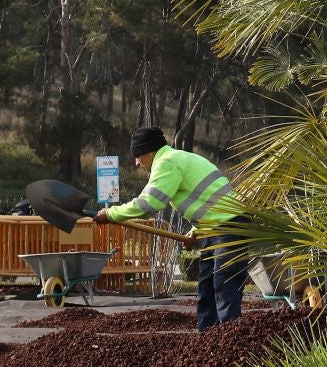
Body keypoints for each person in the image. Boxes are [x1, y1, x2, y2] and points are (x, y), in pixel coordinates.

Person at [86, 127, 247, 330]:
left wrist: (110, 214)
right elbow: (209, 201)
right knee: (207, 288)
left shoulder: (166, 162)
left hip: (229, 226)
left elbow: (149, 204)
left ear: (149, 151)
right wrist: (195, 231)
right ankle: (209, 342)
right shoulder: (178, 158)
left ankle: (231, 342)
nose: (137, 163)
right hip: (216, 226)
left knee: (224, 286)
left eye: (138, 156)